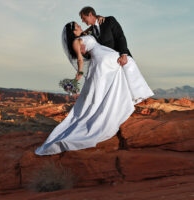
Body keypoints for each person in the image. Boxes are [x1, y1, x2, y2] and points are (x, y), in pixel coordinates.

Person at [34, 21, 154, 156]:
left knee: (124, 68)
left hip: (105, 57)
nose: (80, 26)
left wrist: (99, 20)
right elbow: (80, 59)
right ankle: (127, 99)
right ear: (72, 32)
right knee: (122, 71)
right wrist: (79, 74)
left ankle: (127, 99)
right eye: (77, 26)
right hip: (102, 59)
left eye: (79, 24)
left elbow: (96, 27)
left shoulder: (85, 34)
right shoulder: (76, 42)